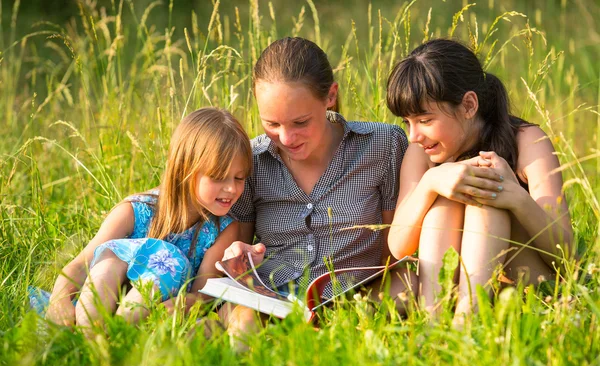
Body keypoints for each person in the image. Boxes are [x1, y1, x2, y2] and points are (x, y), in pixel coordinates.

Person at [220, 37, 417, 337]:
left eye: (300, 122)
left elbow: (394, 252)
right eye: (272, 124)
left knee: (408, 287)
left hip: (358, 298)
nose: (286, 138)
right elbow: (240, 248)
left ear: (330, 96)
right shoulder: (252, 161)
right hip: (275, 299)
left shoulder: (383, 145)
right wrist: (239, 256)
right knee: (242, 324)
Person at [385, 38, 573, 322]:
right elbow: (399, 246)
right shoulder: (420, 154)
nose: (413, 136)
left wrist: (517, 198)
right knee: (443, 204)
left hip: (526, 292)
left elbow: (566, 256)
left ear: (469, 105)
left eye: (424, 120)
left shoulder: (527, 140)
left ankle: (467, 324)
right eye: (406, 123)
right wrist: (430, 183)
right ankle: (433, 323)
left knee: (486, 197)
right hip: (451, 289)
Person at [43, 107, 252, 331]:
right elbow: (82, 263)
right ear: (185, 169)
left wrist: (181, 305)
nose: (231, 188)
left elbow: (202, 293)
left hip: (153, 316)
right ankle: (90, 333)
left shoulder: (223, 229)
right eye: (219, 177)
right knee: (110, 260)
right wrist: (60, 298)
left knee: (170, 265)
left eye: (239, 178)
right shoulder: (135, 211)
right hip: (103, 301)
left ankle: (116, 334)